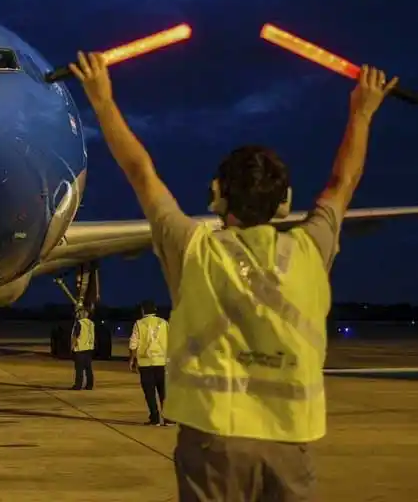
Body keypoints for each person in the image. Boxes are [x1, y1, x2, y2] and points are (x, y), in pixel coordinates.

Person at [69, 53, 398, 501]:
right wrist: (363, 112)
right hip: (289, 444)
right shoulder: (309, 250)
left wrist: (102, 101)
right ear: (285, 202)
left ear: (216, 197)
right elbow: (343, 182)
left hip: (214, 445)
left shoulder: (194, 250)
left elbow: (141, 173)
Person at [128, 300, 170, 426]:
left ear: (143, 310)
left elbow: (133, 343)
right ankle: (168, 419)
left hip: (145, 363)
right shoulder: (164, 323)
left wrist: (132, 360)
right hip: (162, 362)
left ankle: (155, 418)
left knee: (150, 393)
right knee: (164, 392)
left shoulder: (139, 324)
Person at [70, 308, 95, 390]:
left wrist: (72, 347)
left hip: (80, 348)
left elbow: (75, 335)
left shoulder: (79, 323)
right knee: (88, 368)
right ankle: (89, 385)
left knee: (79, 369)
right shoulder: (91, 323)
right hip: (89, 348)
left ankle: (78, 385)